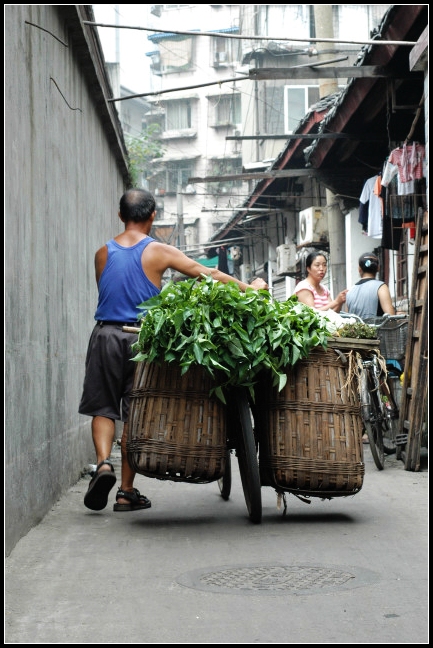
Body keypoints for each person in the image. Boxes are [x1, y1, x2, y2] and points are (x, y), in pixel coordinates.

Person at [79, 188, 268, 513]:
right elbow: (209, 274)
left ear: (121, 215)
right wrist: (248, 288)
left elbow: (108, 293)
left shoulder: (102, 253)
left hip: (105, 335)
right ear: (152, 216)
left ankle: (102, 465)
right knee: (133, 411)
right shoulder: (158, 251)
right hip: (141, 338)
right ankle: (126, 492)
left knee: (103, 407)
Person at [345, 252, 395, 320]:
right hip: (376, 330)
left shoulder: (350, 292)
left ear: (359, 269)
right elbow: (391, 317)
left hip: (354, 330)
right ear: (378, 268)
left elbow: (346, 319)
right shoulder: (381, 287)